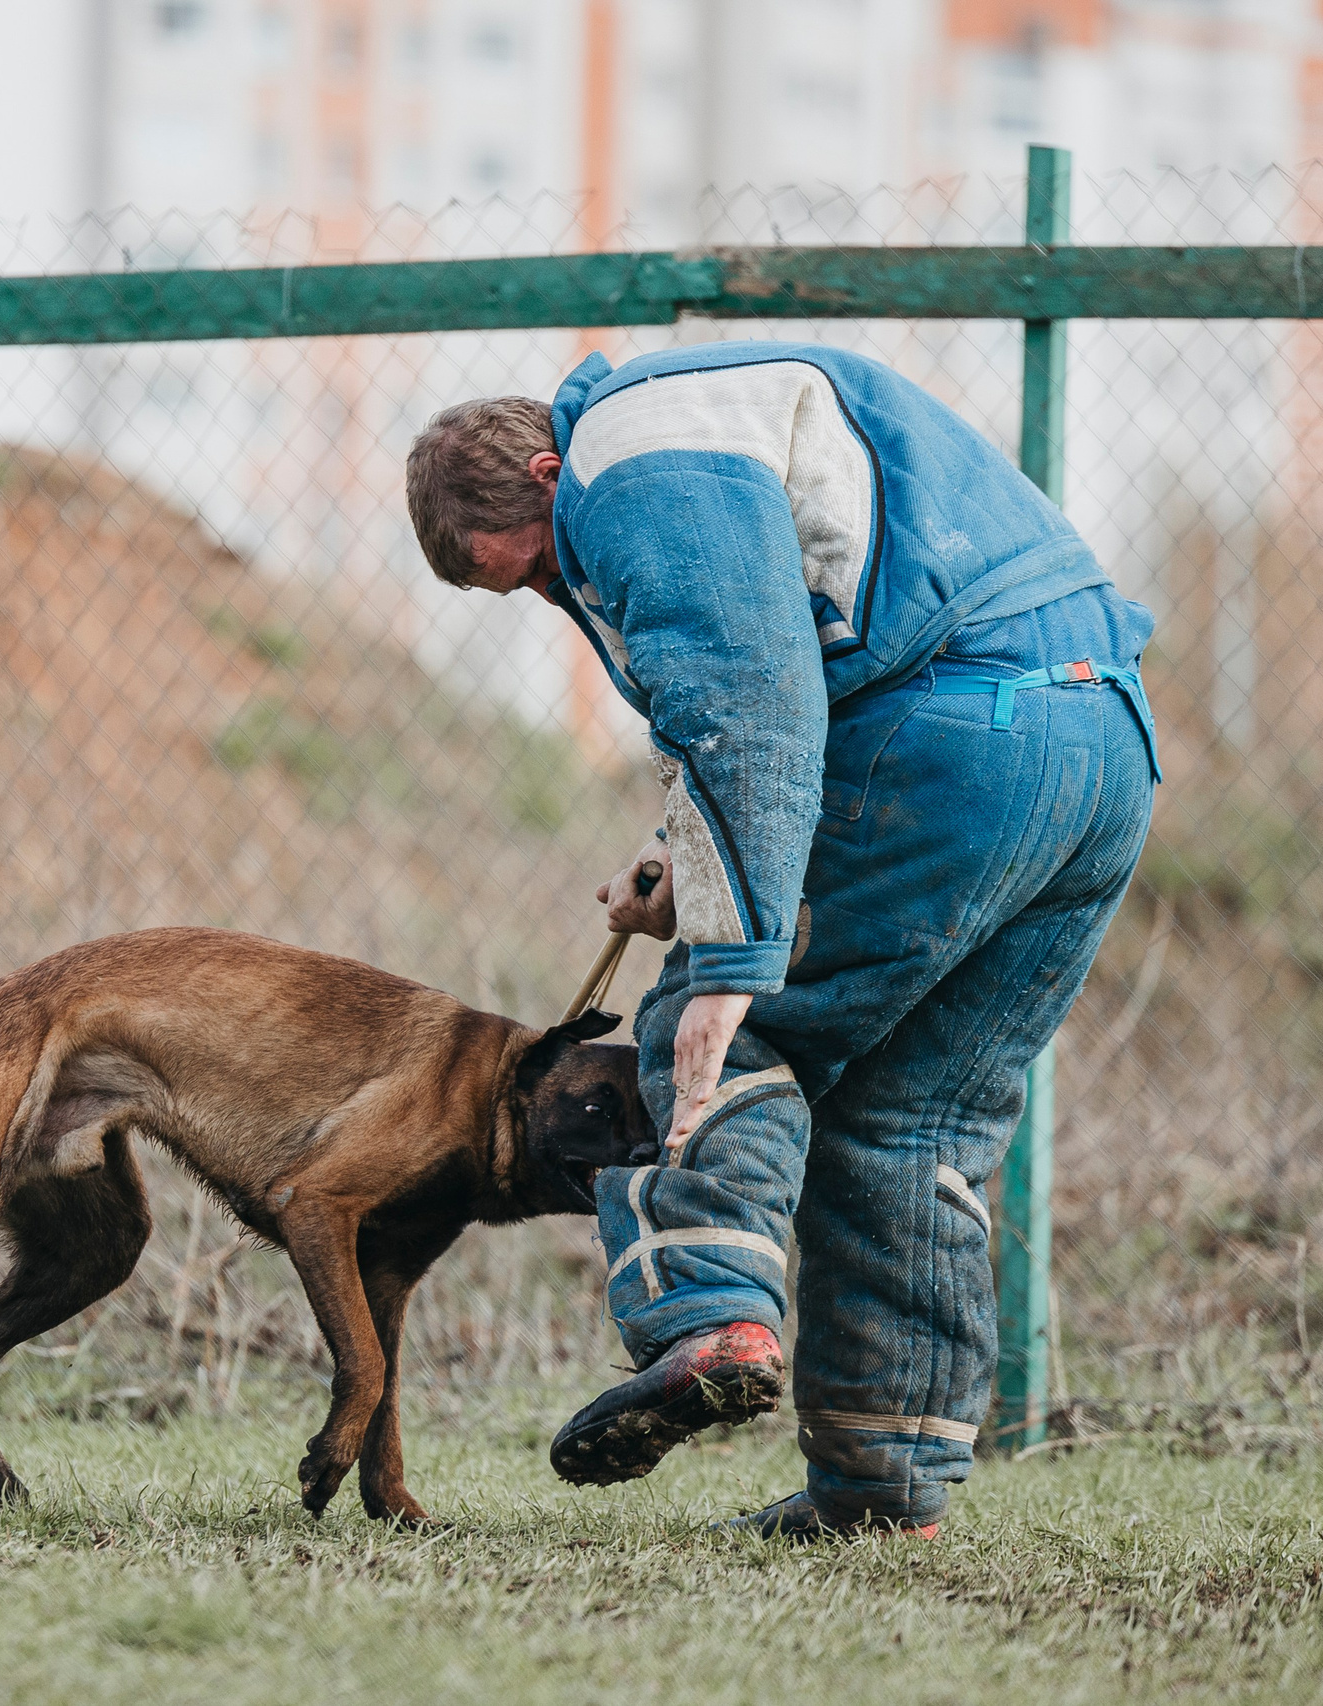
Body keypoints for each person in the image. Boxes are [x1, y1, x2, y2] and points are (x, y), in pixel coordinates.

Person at [403, 341, 1159, 1538]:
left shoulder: (629, 452)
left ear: (551, 473)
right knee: (909, 1121)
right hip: (1096, 745)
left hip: (955, 735)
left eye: (539, 570)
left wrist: (733, 960)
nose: (555, 594)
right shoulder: (712, 415)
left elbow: (750, 694)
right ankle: (882, 1488)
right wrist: (682, 863)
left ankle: (706, 1316)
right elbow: (788, 664)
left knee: (717, 1030)